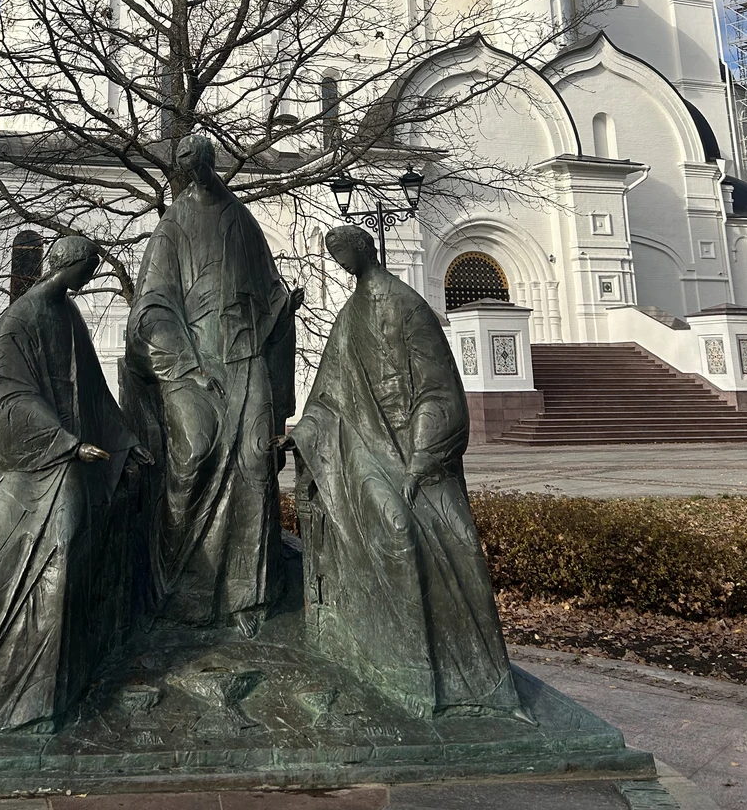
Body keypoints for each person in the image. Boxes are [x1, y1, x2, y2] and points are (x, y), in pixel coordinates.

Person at [285, 224, 525, 720]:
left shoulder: (407, 305)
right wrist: (303, 432)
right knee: (390, 525)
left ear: (363, 249)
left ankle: (465, 677)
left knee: (438, 536)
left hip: (416, 451)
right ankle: (398, 662)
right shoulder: (350, 315)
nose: (339, 262)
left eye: (342, 252)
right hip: (363, 446)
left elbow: (437, 388)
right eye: (333, 255)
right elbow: (328, 390)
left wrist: (421, 459)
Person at [0, 235, 151, 739]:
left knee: (71, 551)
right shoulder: (17, 323)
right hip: (30, 469)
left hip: (67, 463)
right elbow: (3, 401)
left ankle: (51, 693)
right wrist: (65, 443)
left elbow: (93, 389)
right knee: (6, 571)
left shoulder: (69, 317)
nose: (91, 277)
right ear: (68, 265)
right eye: (88, 268)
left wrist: (124, 440)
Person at [123, 135, 299, 638]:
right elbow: (153, 303)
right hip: (192, 359)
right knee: (194, 452)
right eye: (187, 166)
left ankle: (249, 596)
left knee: (256, 459)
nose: (194, 173)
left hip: (246, 354)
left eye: (199, 164)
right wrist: (187, 364)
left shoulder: (241, 219)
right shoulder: (173, 225)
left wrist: (282, 308)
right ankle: (181, 590)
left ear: (209, 165)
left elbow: (268, 288)